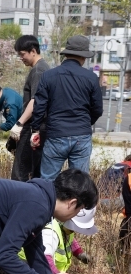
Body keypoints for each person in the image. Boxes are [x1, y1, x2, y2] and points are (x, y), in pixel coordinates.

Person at [0, 207, 96, 274]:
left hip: (11, 262)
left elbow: (69, 241)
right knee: (33, 271)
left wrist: (79, 253)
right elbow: (44, 260)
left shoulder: (64, 228)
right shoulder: (50, 232)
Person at [32, 35, 103, 180]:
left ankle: (47, 202)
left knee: (47, 181)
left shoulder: (48, 75)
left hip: (56, 133)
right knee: (79, 182)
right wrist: (84, 123)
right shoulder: (91, 78)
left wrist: (35, 129)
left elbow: (39, 106)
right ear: (83, 57)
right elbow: (97, 109)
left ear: (66, 54)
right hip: (81, 135)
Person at [9, 35, 51, 181]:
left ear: (33, 51)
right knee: (33, 172)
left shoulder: (39, 70)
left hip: (33, 126)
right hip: (39, 126)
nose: (21, 58)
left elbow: (35, 101)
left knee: (21, 173)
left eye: (22, 54)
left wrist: (19, 124)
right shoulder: (43, 68)